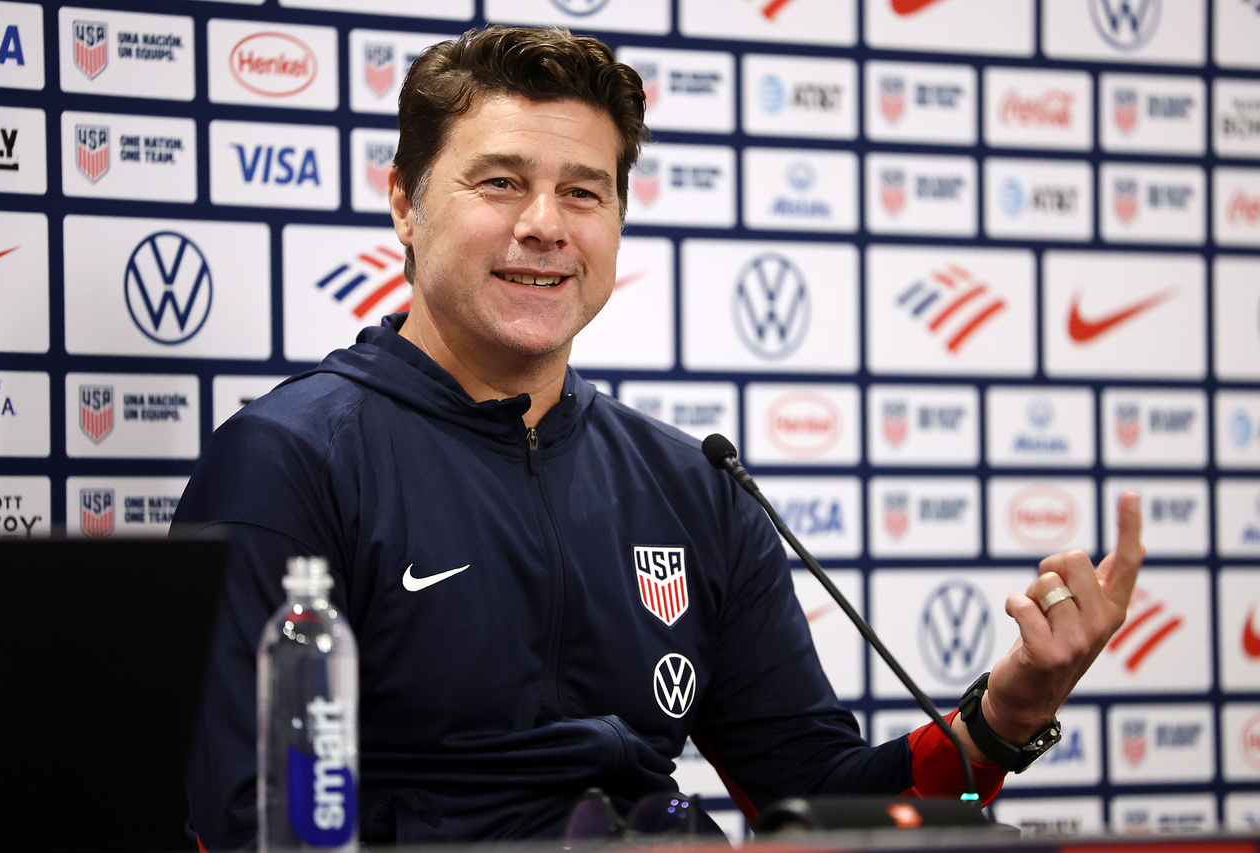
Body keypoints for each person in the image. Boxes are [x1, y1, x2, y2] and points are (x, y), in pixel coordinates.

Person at [173, 25, 1144, 849]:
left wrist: (1004, 717)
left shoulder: (695, 485)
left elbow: (822, 807)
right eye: (500, 182)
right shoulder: (289, 460)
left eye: (583, 193)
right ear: (404, 204)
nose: (545, 226)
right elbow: (242, 821)